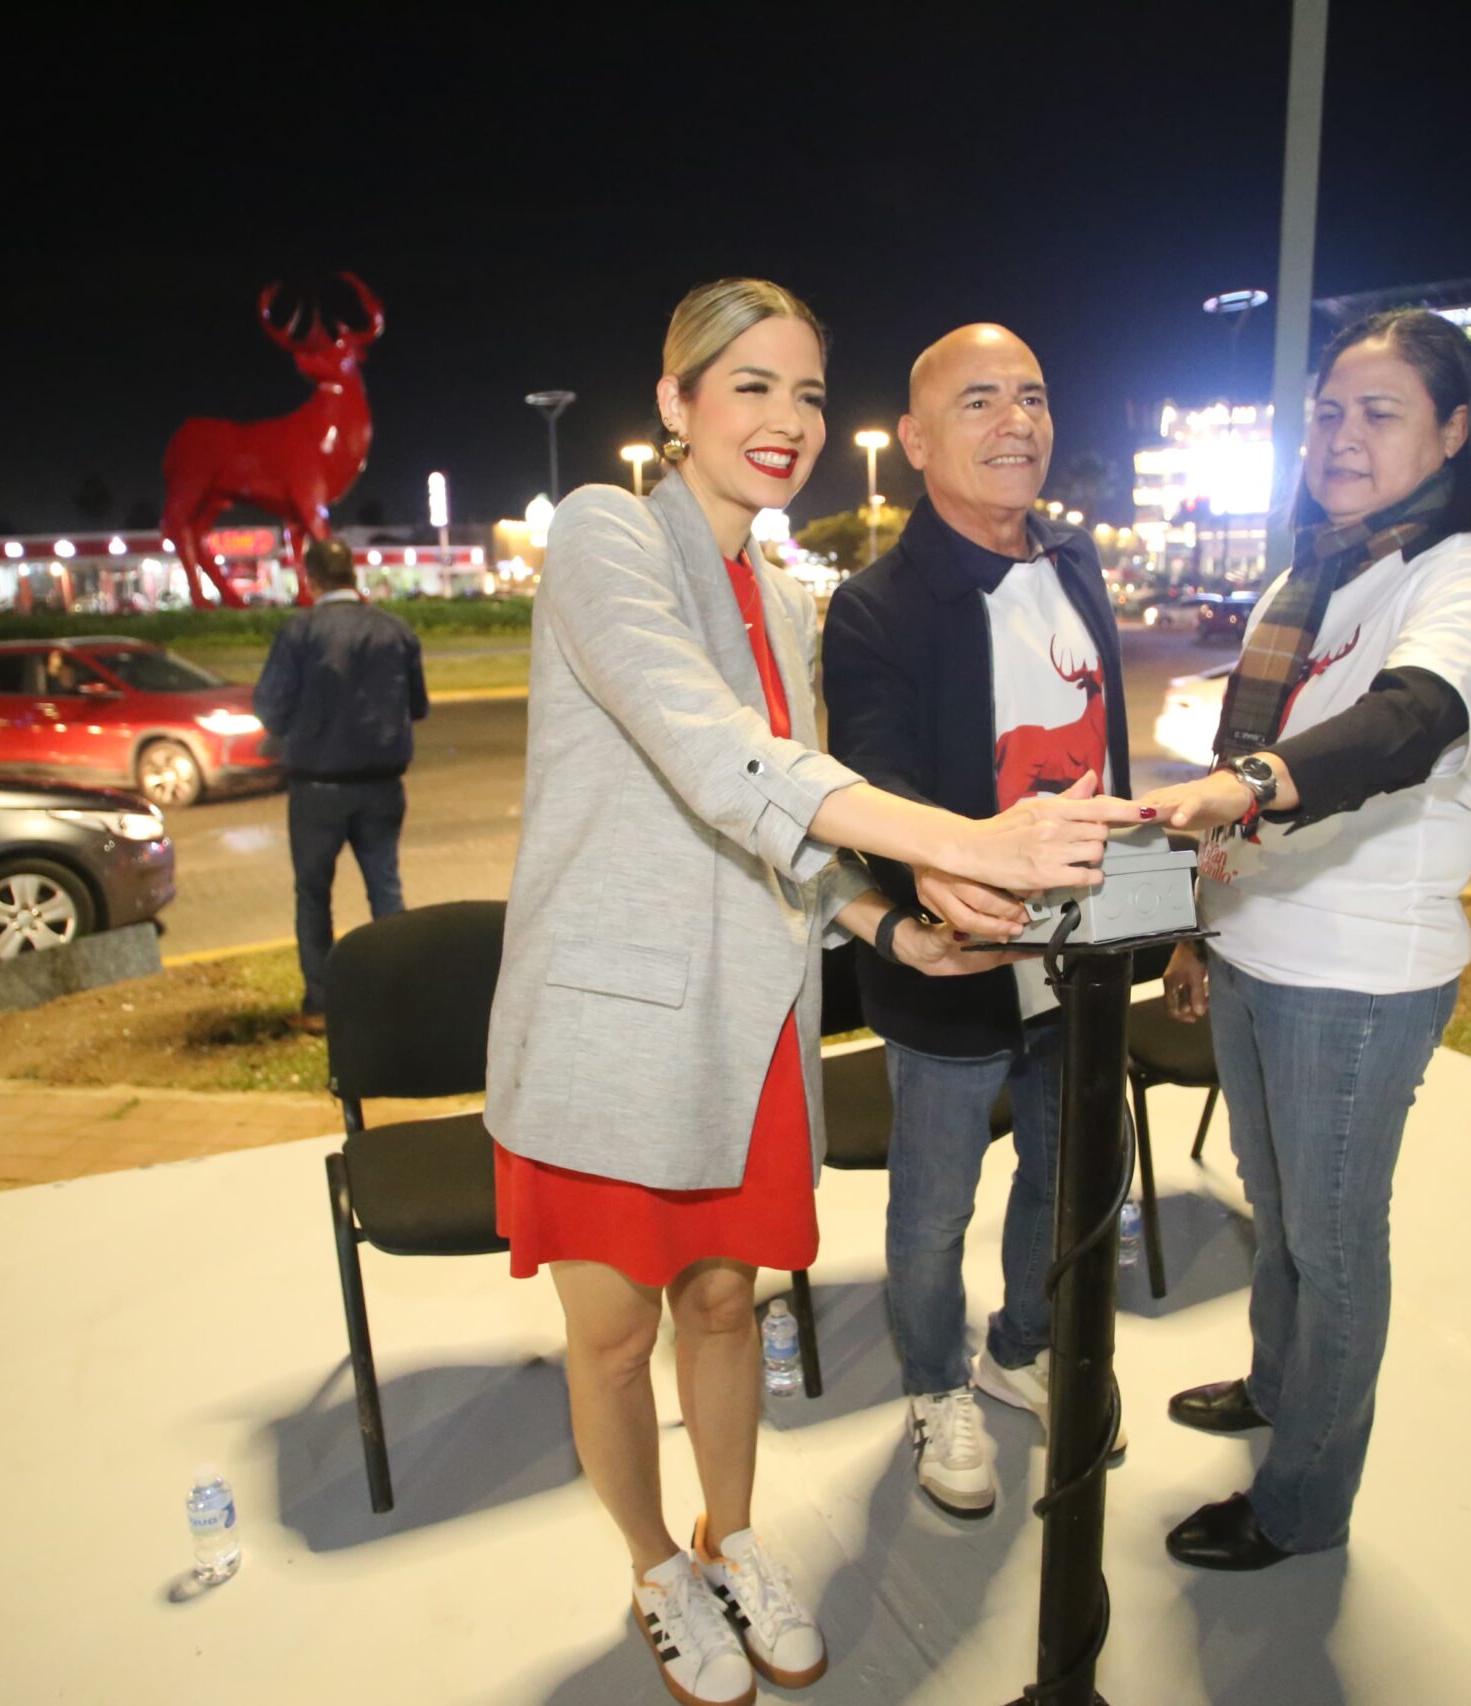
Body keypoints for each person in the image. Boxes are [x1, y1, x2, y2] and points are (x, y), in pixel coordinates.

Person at [483, 279, 1143, 1706]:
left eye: (803, 392)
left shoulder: (788, 600)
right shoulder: (608, 535)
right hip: (611, 1018)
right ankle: (657, 1560)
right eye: (748, 386)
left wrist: (885, 931)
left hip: (752, 1020)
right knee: (612, 1335)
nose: (782, 422)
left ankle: (732, 1535)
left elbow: (786, 833)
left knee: (726, 1303)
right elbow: (708, 746)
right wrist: (951, 840)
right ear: (676, 404)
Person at [1139, 307, 1471, 1572]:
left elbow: (1410, 721)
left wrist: (1245, 784)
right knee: (1278, 1206)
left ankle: (1303, 1500)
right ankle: (1274, 1383)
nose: (1342, 436)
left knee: (1333, 1237)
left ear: (1453, 429)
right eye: (1327, 412)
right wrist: (1203, 923)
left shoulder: (1470, 572)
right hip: (1259, 941)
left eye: (1379, 413)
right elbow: (1250, 767)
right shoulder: (1317, 569)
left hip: (1357, 972)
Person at [822, 323, 1134, 1518]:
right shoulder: (874, 606)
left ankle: (1022, 1341)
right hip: (951, 959)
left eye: (1035, 398)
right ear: (912, 439)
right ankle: (932, 1382)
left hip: (1084, 955)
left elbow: (1101, 745)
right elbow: (873, 773)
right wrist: (931, 885)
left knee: (1063, 1177)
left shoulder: (1078, 566)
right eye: (980, 402)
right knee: (933, 1204)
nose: (1018, 422)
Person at [251, 536, 428, 1034]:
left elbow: (270, 706)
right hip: (382, 784)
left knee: (313, 895)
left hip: (317, 787)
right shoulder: (395, 630)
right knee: (385, 889)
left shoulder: (299, 632)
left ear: (311, 579)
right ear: (353, 574)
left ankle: (321, 1005)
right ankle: (400, 994)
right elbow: (416, 706)